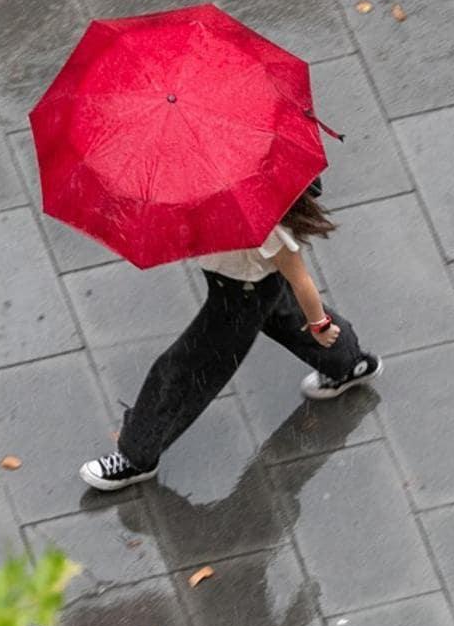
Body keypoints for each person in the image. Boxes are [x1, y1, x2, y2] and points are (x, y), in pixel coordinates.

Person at [79, 179, 382, 491]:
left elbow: (300, 279)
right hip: (247, 285)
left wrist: (320, 325)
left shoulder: (264, 225)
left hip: (241, 297)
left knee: (183, 371)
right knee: (283, 315)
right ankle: (349, 364)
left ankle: (135, 456)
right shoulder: (216, 196)